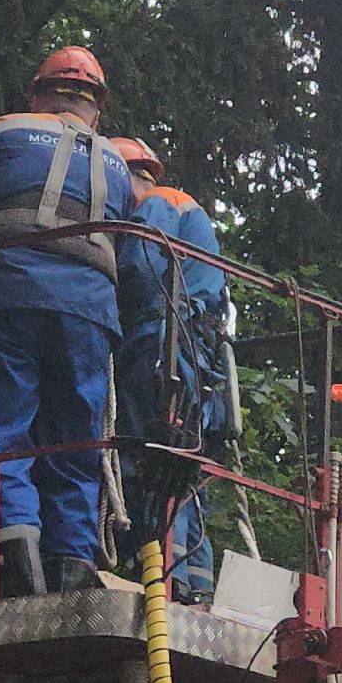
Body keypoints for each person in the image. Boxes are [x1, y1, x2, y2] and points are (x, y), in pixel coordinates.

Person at [0, 47, 134, 595]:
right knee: (76, 439)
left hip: (7, 291)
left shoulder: (4, 133)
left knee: (3, 427)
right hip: (89, 310)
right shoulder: (117, 165)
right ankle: (72, 565)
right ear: (97, 107)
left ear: (36, 93)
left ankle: (17, 568)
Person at [110, 137, 227, 602]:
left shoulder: (158, 205)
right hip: (192, 353)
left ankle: (163, 575)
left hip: (162, 343)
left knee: (149, 459)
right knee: (183, 468)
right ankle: (192, 583)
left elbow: (137, 269)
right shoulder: (184, 208)